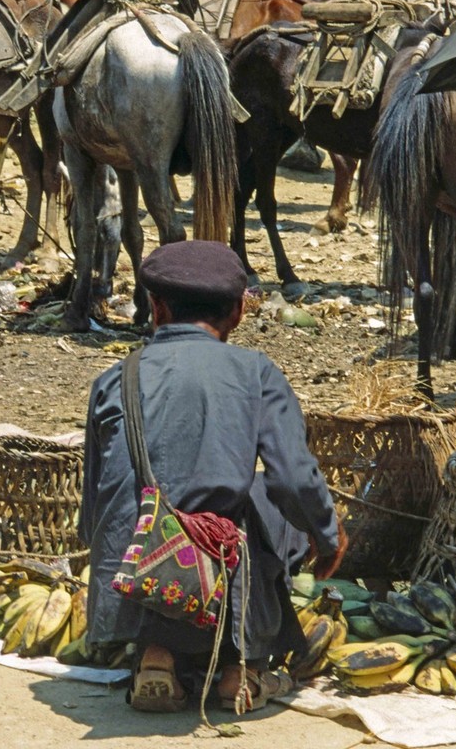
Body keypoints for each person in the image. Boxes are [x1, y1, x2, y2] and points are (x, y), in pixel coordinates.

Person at [80, 240, 346, 714]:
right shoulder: (255, 372)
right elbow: (295, 481)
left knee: (149, 515)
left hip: (134, 576)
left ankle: (155, 658)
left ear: (156, 308)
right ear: (240, 312)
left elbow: (93, 510)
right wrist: (326, 535)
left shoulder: (114, 379)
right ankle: (237, 669)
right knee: (266, 500)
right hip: (217, 573)